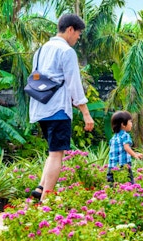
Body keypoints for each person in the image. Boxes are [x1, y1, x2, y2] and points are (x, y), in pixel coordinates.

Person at [28, 14, 94, 201]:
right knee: (57, 154)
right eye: (78, 34)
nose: (77, 38)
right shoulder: (66, 51)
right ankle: (45, 200)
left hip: (40, 108)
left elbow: (36, 78)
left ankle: (41, 187)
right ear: (70, 29)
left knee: (52, 151)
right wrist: (86, 114)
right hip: (58, 109)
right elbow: (74, 84)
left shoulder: (41, 50)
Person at [107, 111, 143, 183]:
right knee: (130, 184)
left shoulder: (113, 138)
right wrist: (135, 155)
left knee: (112, 185)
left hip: (112, 166)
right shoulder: (125, 135)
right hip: (123, 165)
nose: (131, 124)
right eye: (130, 122)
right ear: (123, 124)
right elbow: (126, 148)